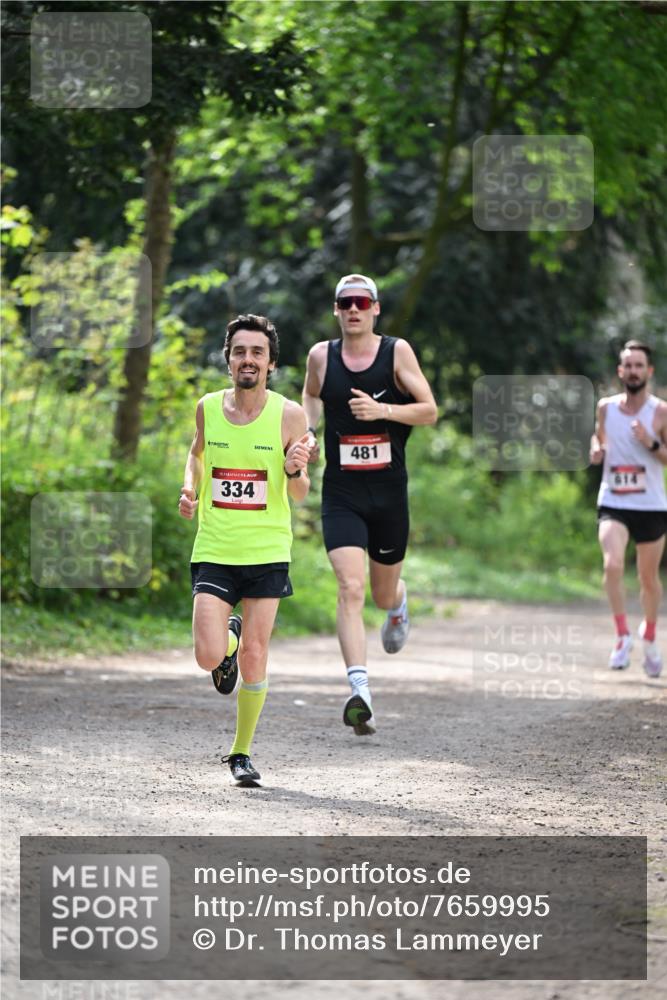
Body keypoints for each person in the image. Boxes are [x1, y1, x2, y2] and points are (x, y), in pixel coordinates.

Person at [179, 314, 311, 785]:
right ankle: (226, 641)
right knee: (207, 657)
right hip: (215, 545)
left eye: (257, 352)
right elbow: (196, 455)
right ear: (229, 358)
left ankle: (241, 754)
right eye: (240, 351)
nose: (248, 360)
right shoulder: (207, 408)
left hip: (267, 549)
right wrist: (188, 488)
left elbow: (299, 493)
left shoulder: (289, 415)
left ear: (271, 363)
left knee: (256, 655)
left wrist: (295, 470)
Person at [303, 273, 438, 736]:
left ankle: (398, 604)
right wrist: (307, 433)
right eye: (345, 302)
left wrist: (384, 412)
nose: (353, 309)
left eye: (362, 302)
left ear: (375, 308)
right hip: (341, 492)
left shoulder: (395, 352)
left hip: (387, 493)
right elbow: (311, 395)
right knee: (350, 588)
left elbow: (429, 410)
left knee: (380, 594)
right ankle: (360, 690)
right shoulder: (322, 356)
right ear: (336, 309)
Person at [590, 340, 667, 677]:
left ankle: (649, 636)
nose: (633, 371)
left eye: (639, 365)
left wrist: (651, 442)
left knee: (648, 579)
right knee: (612, 564)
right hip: (614, 500)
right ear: (620, 371)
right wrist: (597, 450)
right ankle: (622, 635)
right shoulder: (605, 407)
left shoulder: (661, 411)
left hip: (650, 504)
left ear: (648, 371)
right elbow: (599, 438)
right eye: (628, 365)